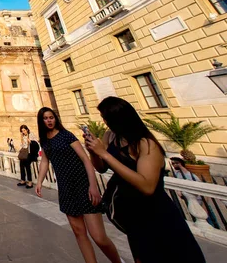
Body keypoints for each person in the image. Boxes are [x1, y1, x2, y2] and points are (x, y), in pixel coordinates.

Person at [85, 97, 205, 263]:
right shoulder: (110, 136)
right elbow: (101, 168)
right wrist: (93, 151)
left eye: (106, 118)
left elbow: (147, 186)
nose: (104, 122)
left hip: (155, 213)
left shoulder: (146, 143)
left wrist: (104, 153)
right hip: (132, 212)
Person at [35, 107, 123, 263]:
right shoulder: (44, 140)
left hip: (83, 186)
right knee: (79, 233)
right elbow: (45, 161)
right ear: (41, 121)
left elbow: (85, 160)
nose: (49, 121)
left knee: (98, 237)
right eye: (45, 118)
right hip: (66, 188)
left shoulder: (66, 135)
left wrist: (93, 186)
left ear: (56, 119)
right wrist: (39, 181)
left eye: (51, 117)